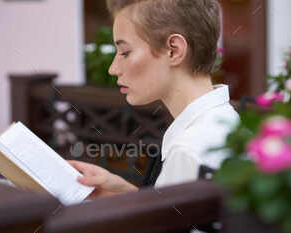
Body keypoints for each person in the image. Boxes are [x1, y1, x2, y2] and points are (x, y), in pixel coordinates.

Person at [68, 0, 239, 200]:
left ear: (173, 50)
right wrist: (125, 194)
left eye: (125, 52)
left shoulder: (188, 151)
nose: (113, 69)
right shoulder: (224, 121)